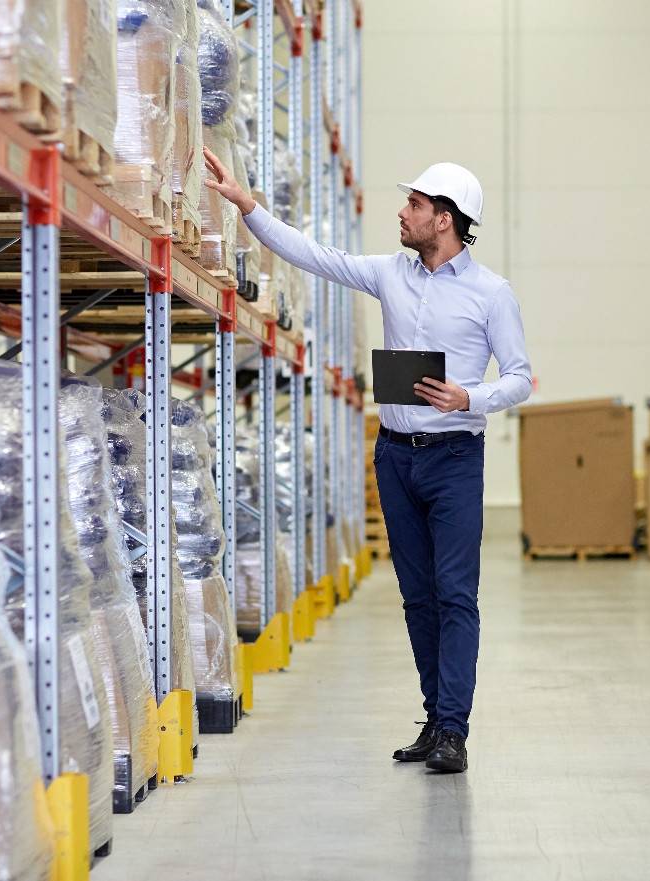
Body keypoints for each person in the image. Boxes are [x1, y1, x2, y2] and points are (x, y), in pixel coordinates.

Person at [204, 147, 532, 773]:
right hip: (396, 456)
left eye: (414, 204)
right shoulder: (391, 273)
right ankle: (435, 719)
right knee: (416, 596)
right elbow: (316, 257)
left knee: (456, 594)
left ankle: (453, 732)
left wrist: (472, 395)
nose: (402, 212)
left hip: (456, 456)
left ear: (445, 218)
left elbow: (520, 378)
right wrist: (249, 209)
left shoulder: (492, 294)